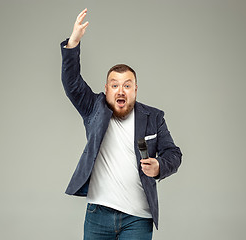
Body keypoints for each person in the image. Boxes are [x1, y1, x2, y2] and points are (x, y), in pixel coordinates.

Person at [60, 8, 182, 240]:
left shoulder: (153, 117)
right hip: (98, 214)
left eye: (127, 85)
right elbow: (71, 82)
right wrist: (73, 42)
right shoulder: (94, 108)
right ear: (106, 90)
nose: (121, 90)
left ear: (135, 90)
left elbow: (174, 153)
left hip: (138, 218)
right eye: (114, 85)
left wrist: (159, 166)